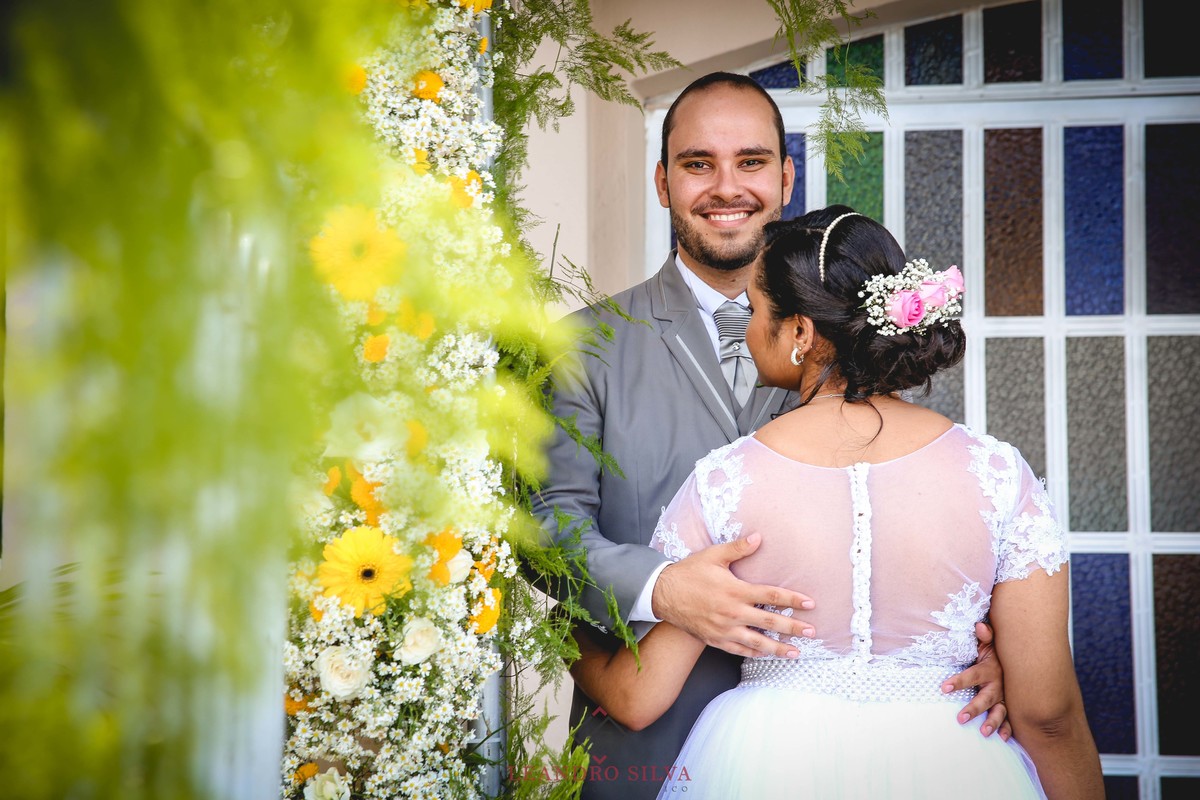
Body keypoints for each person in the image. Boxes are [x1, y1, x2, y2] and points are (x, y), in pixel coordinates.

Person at [534, 72, 1010, 800]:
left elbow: (941, 528)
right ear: (662, 182)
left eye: (751, 162)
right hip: (647, 744)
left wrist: (990, 649)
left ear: (786, 177)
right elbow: (545, 530)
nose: (727, 187)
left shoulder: (863, 349)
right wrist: (663, 590)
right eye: (698, 164)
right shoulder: (580, 346)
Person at [567, 207, 1105, 799]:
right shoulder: (998, 474)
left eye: (754, 308)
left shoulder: (724, 481)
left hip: (767, 768)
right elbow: (1048, 714)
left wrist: (567, 635)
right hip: (952, 763)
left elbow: (637, 699)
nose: (745, 328)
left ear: (800, 333)